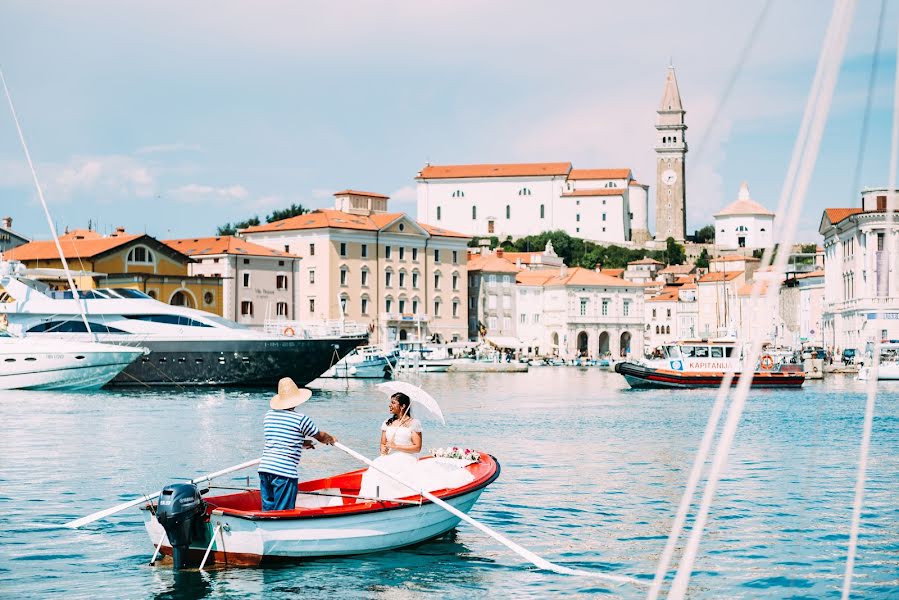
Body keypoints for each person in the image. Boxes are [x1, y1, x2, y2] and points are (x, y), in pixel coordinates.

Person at [357, 393, 473, 501]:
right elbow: (383, 443)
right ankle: (374, 498)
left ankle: (394, 498)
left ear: (402, 406)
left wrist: (396, 446)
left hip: (405, 458)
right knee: (376, 466)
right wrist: (384, 449)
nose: (390, 405)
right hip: (388, 457)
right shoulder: (387, 422)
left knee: (390, 469)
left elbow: (417, 448)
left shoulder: (414, 424)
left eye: (393, 403)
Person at [258, 377, 336, 511]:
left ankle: (269, 531)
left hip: (265, 469)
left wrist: (302, 442)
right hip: (284, 472)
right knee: (284, 512)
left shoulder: (268, 416)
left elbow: (280, 438)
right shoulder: (301, 419)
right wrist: (331, 438)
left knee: (268, 510)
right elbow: (320, 436)